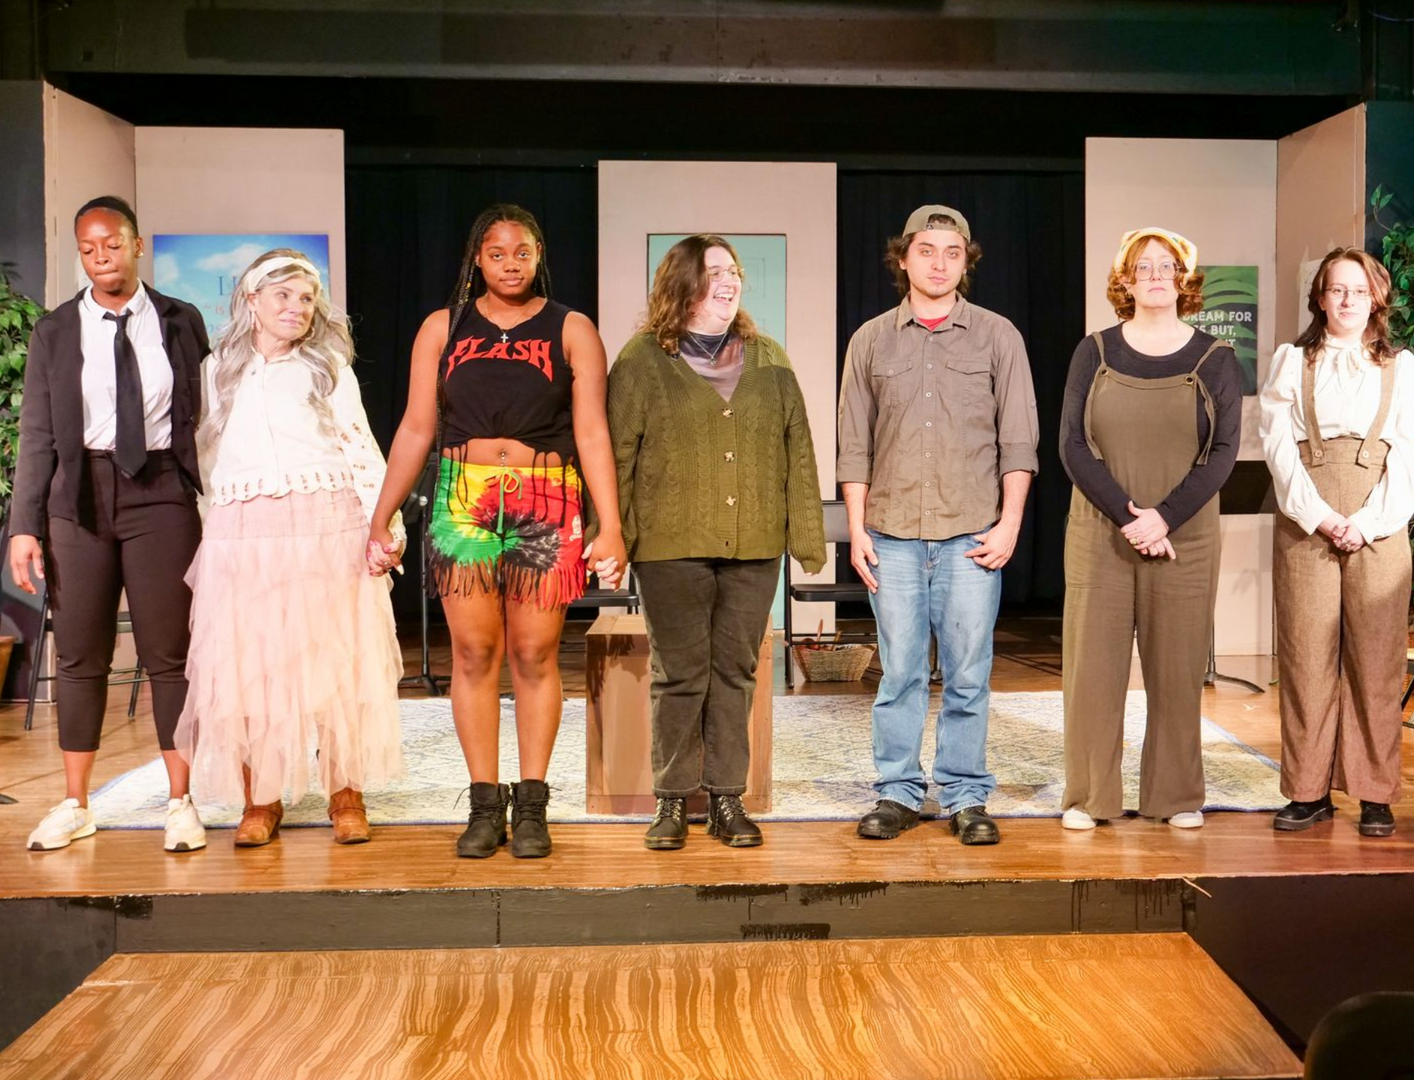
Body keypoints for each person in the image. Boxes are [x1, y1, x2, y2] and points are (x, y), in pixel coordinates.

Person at [367, 204, 626, 859]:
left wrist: (611, 524)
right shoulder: (442, 327)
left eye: (522, 251)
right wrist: (382, 513)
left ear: (539, 256)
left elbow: (594, 430)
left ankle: (532, 803)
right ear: (476, 259)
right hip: (463, 496)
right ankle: (485, 803)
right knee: (474, 655)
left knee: (535, 655)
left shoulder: (572, 328)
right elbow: (416, 427)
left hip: (546, 495)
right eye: (496, 252)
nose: (510, 262)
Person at [172, 249, 404, 847]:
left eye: (306, 299)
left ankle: (345, 796)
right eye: (282, 296)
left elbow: (361, 446)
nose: (296, 308)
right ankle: (260, 800)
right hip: (245, 531)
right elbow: (207, 455)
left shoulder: (326, 367)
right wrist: (213, 525)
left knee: (334, 664)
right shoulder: (218, 369)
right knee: (251, 669)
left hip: (325, 524)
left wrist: (386, 525)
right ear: (251, 300)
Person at [609, 236, 825, 851]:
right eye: (714, 272)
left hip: (754, 545)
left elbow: (799, 452)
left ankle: (728, 797)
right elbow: (620, 455)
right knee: (679, 673)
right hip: (669, 545)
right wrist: (615, 540)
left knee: (735, 671)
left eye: (733, 272)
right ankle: (672, 800)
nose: (729, 281)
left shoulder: (769, 359)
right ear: (682, 285)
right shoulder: (640, 361)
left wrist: (806, 536)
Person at [9, 197, 211, 853]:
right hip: (80, 499)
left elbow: (204, 416)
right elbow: (36, 434)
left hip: (160, 492)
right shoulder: (56, 330)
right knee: (79, 653)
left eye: (113, 245)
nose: (102, 258)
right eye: (89, 249)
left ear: (137, 244)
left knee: (169, 655)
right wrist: (24, 526)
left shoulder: (182, 322)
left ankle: (181, 803)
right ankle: (75, 803)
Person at [835, 204, 1038, 845]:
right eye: (926, 250)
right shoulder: (870, 340)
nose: (939, 262)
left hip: (972, 534)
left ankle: (963, 794)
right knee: (899, 674)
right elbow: (853, 443)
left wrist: (1010, 523)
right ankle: (897, 791)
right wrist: (858, 529)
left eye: (952, 252)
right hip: (892, 534)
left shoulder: (998, 336)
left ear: (966, 262)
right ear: (904, 259)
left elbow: (1019, 439)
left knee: (969, 673)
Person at [1058, 227, 1241, 831]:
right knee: (1093, 671)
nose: (1156, 275)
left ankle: (1176, 797)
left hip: (1184, 535)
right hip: (1099, 530)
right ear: (1126, 279)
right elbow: (1072, 446)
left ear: (1185, 280)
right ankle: (1089, 797)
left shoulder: (1216, 359)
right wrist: (1131, 517)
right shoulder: (1095, 351)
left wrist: (1164, 518)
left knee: (1178, 668)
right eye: (1144, 266)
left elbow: (1222, 455)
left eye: (1168, 266)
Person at [1259, 246, 1414, 837]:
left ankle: (1375, 793)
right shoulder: (1291, 361)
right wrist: (1323, 517)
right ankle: (1308, 791)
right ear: (1320, 297)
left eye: (1358, 290)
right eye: (1336, 289)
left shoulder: (1400, 367)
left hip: (1377, 518)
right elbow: (1279, 451)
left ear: (1375, 297)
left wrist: (1369, 522)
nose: (1347, 300)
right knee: (1306, 659)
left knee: (1377, 663)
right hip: (1307, 519)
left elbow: (1407, 457)